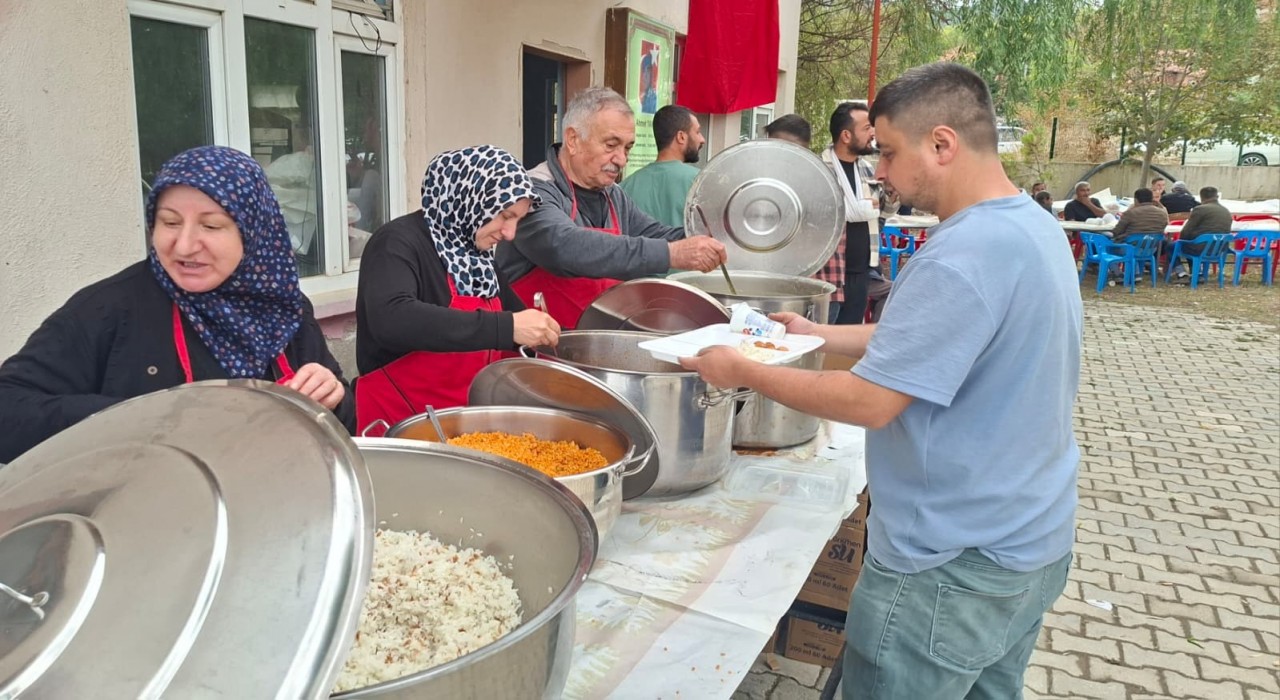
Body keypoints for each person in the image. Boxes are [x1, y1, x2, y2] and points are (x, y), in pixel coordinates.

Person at [680, 62, 1081, 699]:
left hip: (947, 567)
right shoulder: (1031, 226)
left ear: (943, 143)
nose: (881, 173)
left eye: (889, 153)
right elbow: (931, 347)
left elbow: (871, 400)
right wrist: (813, 336)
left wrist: (743, 371)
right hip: (1029, 543)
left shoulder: (960, 255)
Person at [0, 146, 355, 463]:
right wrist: (146, 417)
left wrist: (333, 397)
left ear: (255, 232)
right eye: (169, 222)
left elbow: (343, 426)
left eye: (211, 226)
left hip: (275, 507)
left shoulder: (282, 307)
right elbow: (8, 409)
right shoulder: (109, 310)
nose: (184, 246)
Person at [354, 145, 559, 431]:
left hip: (461, 424)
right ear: (472, 197)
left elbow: (516, 320)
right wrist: (506, 327)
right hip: (397, 423)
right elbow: (392, 319)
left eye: (517, 220)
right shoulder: (396, 243)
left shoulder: (474, 252)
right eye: (505, 215)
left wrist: (543, 338)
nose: (510, 233)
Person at [497, 87, 726, 329]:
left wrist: (710, 234)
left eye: (627, 148)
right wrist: (672, 253)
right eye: (611, 145)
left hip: (590, 342)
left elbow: (653, 232)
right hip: (533, 352)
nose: (621, 159)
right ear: (573, 140)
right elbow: (564, 246)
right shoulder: (533, 192)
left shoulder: (613, 195)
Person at [818, 102, 880, 325]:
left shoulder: (867, 169)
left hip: (861, 269)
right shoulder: (819, 170)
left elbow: (883, 211)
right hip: (829, 271)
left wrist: (891, 194)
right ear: (846, 135)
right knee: (825, 337)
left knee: (848, 336)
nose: (872, 133)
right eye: (866, 128)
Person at [619, 105, 706, 228]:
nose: (702, 139)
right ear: (681, 137)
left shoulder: (624, 187)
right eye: (697, 132)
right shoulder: (700, 182)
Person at [1168, 186, 1233, 279]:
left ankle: (1181, 273)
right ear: (1217, 196)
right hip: (1220, 249)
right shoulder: (1225, 211)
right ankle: (1196, 272)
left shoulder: (1200, 209)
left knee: (1172, 246)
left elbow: (1187, 231)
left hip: (1200, 248)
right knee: (1191, 242)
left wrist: (1181, 241)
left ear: (1202, 197)